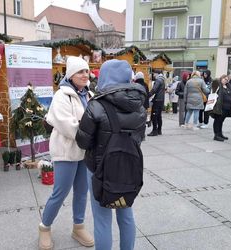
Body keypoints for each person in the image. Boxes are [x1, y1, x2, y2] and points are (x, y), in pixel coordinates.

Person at [75, 59, 146, 250]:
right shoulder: (139, 105)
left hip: (99, 169)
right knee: (126, 214)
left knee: (102, 219)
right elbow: (139, 137)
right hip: (128, 168)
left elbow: (82, 141)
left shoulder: (96, 105)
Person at [38, 56, 94, 250]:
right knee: (60, 192)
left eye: (87, 71)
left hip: (84, 152)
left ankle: (78, 227)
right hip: (66, 151)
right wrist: (93, 135)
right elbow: (67, 126)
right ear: (71, 74)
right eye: (81, 71)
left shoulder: (90, 95)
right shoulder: (62, 95)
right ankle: (44, 227)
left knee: (82, 191)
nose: (85, 75)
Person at [210, 75, 231, 141]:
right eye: (224, 79)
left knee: (221, 121)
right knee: (217, 121)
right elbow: (213, 89)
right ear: (221, 78)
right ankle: (216, 135)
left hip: (226, 107)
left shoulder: (228, 86)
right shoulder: (218, 85)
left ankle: (220, 134)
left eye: (227, 79)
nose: (226, 80)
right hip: (219, 107)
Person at [147, 69, 165, 136]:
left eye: (154, 74)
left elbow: (154, 89)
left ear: (157, 73)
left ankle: (154, 131)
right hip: (161, 100)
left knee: (154, 115)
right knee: (159, 116)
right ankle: (159, 130)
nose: (153, 75)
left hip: (157, 100)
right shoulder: (163, 79)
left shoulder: (158, 80)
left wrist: (148, 95)